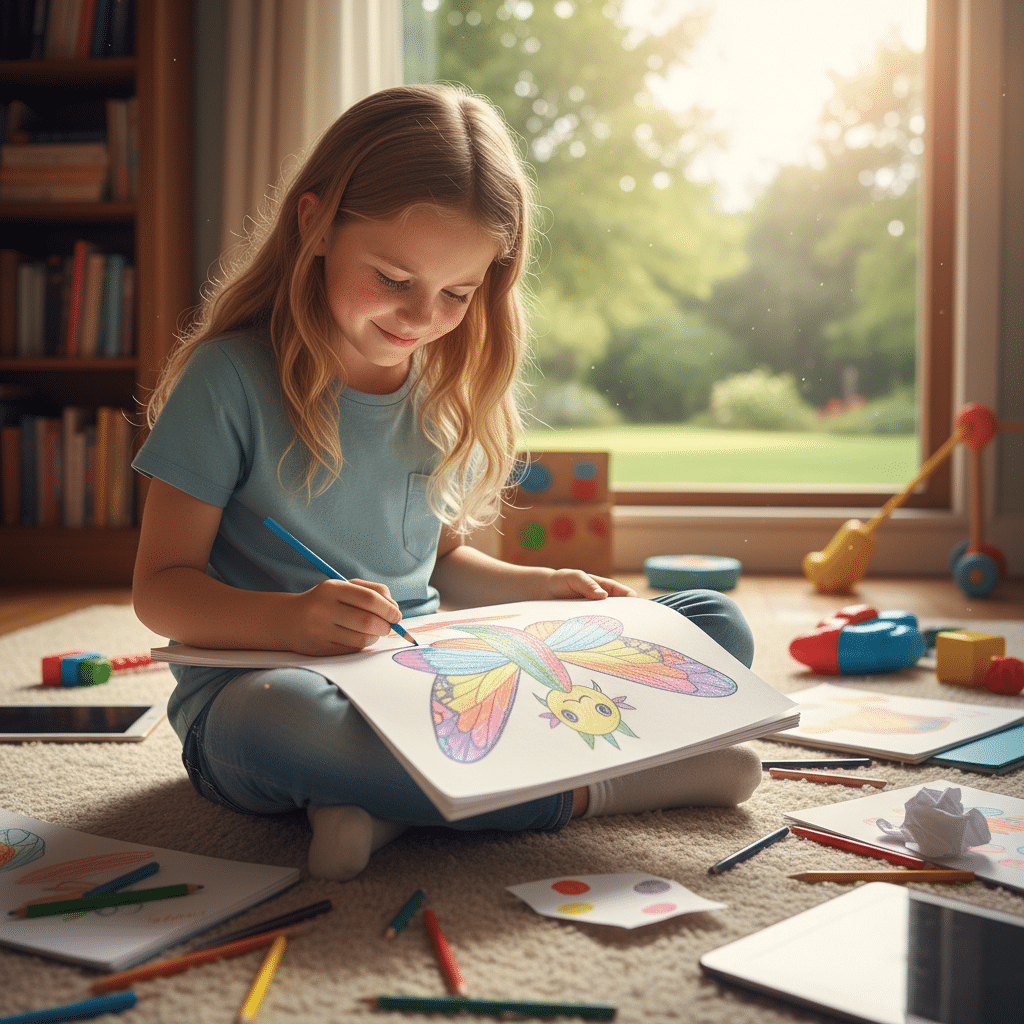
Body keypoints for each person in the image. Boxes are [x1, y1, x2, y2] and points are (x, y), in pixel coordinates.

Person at [131, 84, 761, 882]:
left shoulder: (434, 385)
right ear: (315, 225)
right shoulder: (228, 380)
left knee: (710, 627)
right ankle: (606, 789)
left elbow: (435, 562)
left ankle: (386, 805)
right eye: (393, 278)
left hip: (432, 676)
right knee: (272, 728)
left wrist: (536, 587)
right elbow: (161, 589)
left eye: (457, 293)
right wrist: (290, 622)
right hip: (270, 682)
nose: (421, 316)